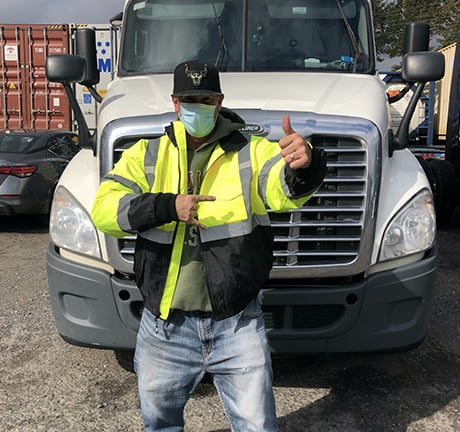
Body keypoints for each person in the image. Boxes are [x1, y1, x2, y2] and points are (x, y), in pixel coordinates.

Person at [91, 60, 326, 432]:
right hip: (164, 327)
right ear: (174, 102)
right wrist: (167, 206)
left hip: (237, 324)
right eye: (189, 99)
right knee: (160, 424)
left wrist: (305, 165)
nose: (196, 106)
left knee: (258, 426)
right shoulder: (144, 155)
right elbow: (104, 210)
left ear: (219, 102)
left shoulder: (252, 152)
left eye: (204, 98)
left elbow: (283, 191)